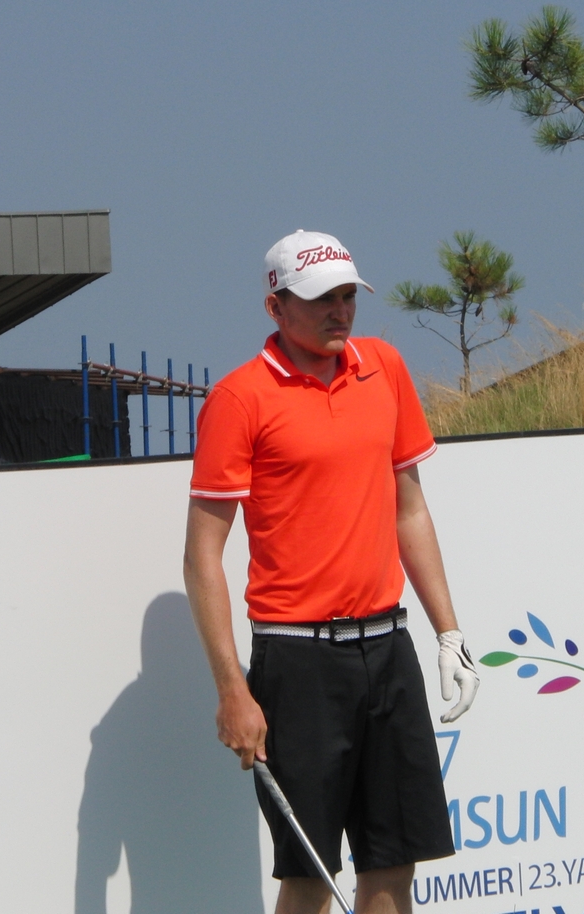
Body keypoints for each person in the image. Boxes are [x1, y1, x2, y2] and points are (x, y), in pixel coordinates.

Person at [184, 230, 480, 914]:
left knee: (394, 864)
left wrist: (449, 633)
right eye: (321, 298)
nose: (339, 311)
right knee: (310, 877)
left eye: (348, 295)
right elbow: (202, 555)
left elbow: (410, 509)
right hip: (298, 663)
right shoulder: (239, 398)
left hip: (388, 649)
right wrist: (233, 690)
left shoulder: (384, 367)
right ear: (276, 307)